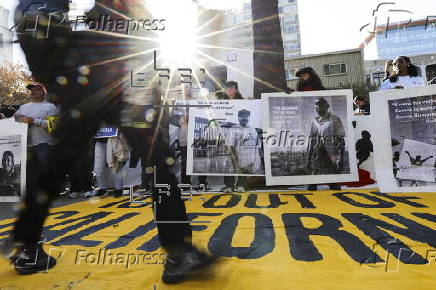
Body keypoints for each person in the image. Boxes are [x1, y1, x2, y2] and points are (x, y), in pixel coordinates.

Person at [1, 1, 215, 283]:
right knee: (156, 162)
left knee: (60, 160)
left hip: (80, 66)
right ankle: (179, 251)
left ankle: (25, 242)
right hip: (103, 68)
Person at [294, 68, 342, 191]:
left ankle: (334, 186)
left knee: (333, 174)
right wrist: (309, 157)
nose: (303, 77)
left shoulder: (334, 118)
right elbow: (311, 139)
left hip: (331, 150)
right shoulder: (313, 121)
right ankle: (312, 185)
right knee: (314, 173)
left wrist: (340, 155)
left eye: (305, 74)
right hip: (316, 151)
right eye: (301, 75)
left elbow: (341, 137)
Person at [13, 83, 59, 191]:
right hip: (27, 145)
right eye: (31, 90)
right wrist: (19, 120)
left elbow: (54, 126)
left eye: (36, 89)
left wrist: (34, 121)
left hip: (44, 144)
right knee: (29, 172)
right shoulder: (23, 107)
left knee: (46, 170)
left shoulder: (50, 107)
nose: (33, 91)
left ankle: (52, 191)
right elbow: (14, 120)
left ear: (43, 92)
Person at [306, 98, 346, 191]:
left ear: (327, 106)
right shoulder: (314, 121)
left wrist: (340, 158)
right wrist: (308, 159)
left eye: (322, 104)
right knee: (311, 185)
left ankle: (338, 202)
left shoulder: (335, 119)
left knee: (334, 183)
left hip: (331, 154)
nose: (319, 106)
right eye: (317, 104)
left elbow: (341, 140)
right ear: (315, 107)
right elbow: (311, 141)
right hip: (317, 155)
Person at [216, 81, 246, 193]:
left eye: (231, 88)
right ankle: (229, 185)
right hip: (226, 135)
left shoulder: (243, 102)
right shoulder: (221, 102)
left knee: (240, 161)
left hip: (239, 135)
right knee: (227, 160)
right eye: (227, 88)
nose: (229, 90)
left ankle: (241, 184)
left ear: (236, 89)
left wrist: (252, 102)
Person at [227, 109, 263, 192]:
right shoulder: (234, 129)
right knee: (238, 173)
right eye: (242, 117)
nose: (244, 118)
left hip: (250, 160)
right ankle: (235, 186)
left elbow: (258, 145)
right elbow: (230, 145)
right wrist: (233, 157)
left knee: (248, 177)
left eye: (246, 117)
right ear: (238, 118)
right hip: (239, 159)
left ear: (249, 117)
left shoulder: (253, 130)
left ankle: (242, 186)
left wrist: (259, 157)